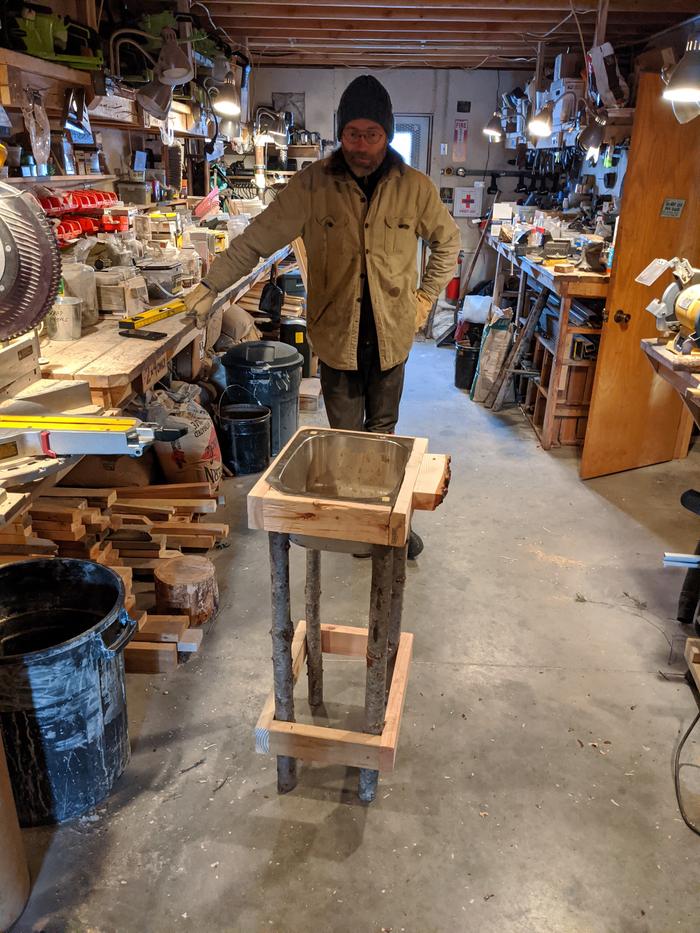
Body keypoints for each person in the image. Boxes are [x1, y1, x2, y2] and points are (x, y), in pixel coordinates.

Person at [185, 74, 461, 558]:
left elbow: (447, 244)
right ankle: (354, 522)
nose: (361, 145)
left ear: (388, 134)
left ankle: (381, 523)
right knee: (343, 437)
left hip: (392, 333)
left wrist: (422, 301)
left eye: (372, 134)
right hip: (337, 334)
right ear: (339, 132)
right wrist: (211, 285)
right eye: (352, 133)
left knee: (384, 435)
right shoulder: (311, 187)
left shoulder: (415, 188)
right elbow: (258, 237)